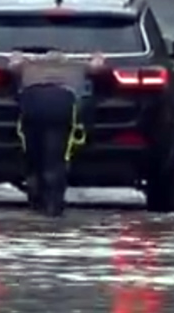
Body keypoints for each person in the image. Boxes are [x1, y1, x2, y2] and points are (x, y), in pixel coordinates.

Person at [6, 50, 103, 217]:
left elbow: (13, 66)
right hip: (61, 105)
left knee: (33, 150)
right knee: (56, 157)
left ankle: (36, 192)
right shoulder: (77, 66)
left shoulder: (28, 65)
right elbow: (97, 67)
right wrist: (98, 57)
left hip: (32, 103)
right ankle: (54, 205)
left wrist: (16, 57)